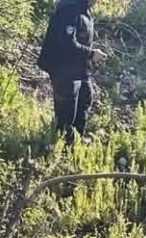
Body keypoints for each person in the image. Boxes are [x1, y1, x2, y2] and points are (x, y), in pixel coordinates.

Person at [37, 0, 109, 143]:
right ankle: (61, 149)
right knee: (66, 113)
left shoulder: (82, 8)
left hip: (79, 68)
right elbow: (66, 42)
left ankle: (76, 141)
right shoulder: (69, 9)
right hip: (62, 69)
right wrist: (91, 53)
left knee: (85, 99)